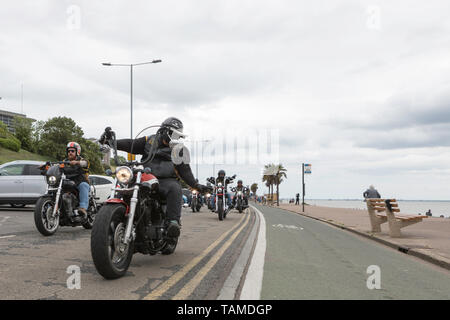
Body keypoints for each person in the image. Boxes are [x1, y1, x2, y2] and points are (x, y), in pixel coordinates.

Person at [100, 117, 209, 239]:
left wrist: (196, 185)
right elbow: (131, 144)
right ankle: (110, 217)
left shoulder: (179, 150)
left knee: (175, 188)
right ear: (165, 131)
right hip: (144, 176)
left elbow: (185, 171)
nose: (177, 139)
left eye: (179, 136)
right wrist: (110, 141)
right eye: (174, 135)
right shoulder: (149, 140)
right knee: (125, 185)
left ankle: (173, 222)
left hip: (166, 180)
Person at [64, 142, 90, 220]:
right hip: (68, 183)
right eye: (68, 151)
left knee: (83, 185)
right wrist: (46, 166)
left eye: (72, 151)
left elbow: (86, 163)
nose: (70, 153)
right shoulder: (64, 161)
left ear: (77, 152)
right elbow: (57, 166)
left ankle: (83, 208)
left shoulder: (82, 160)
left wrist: (77, 162)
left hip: (80, 183)